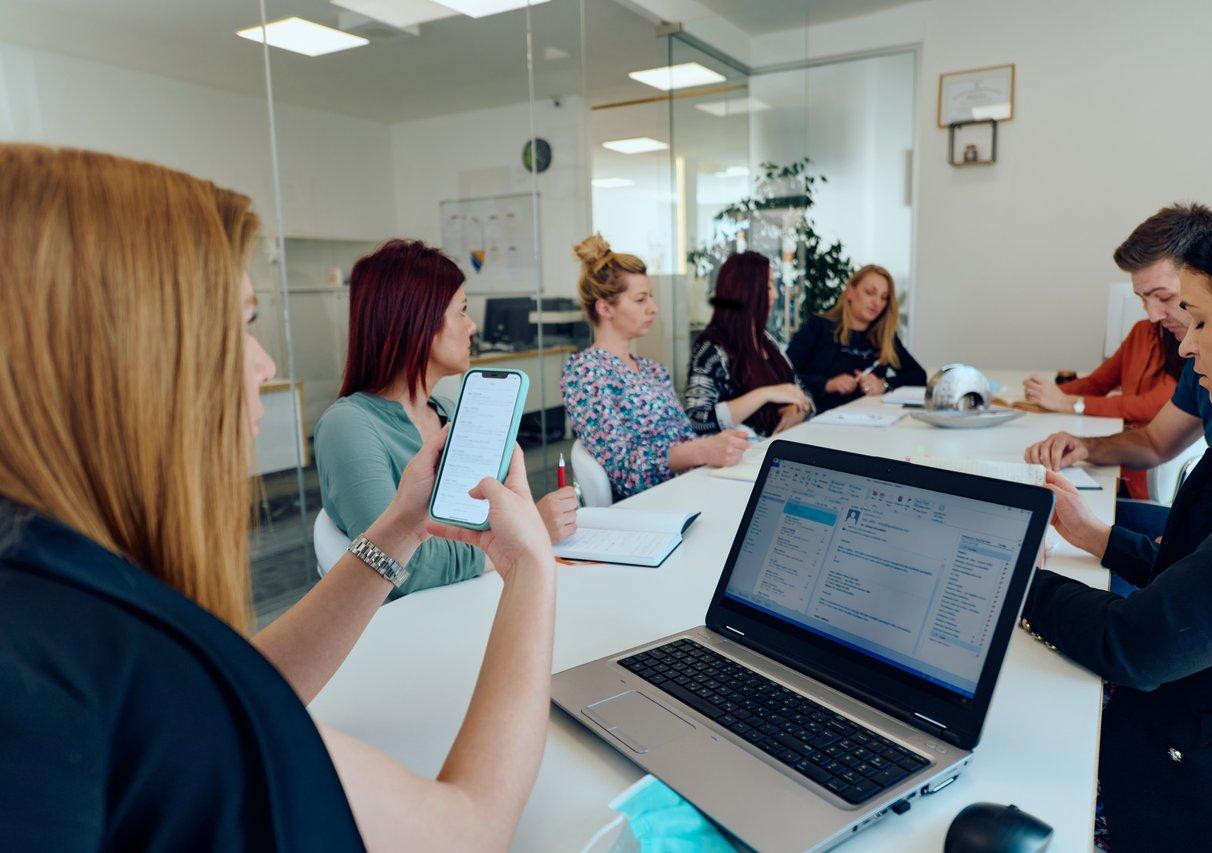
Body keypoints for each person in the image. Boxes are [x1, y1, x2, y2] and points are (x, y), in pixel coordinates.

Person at [0, 145, 556, 851]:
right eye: (241, 325)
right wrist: (531, 571)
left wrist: (398, 527)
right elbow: (469, 829)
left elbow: (239, 688)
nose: (263, 366)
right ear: (128, 357)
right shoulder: (102, 665)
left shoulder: (57, 605)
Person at [1023, 192, 1212, 851]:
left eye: (1197, 319)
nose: (1184, 345)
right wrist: (1098, 537)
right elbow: (1204, 571)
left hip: (1211, 785)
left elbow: (1136, 644)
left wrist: (1013, 577)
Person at [314, 240, 577, 598]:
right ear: (419, 319)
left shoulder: (451, 412)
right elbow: (402, 566)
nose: (472, 327)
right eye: (462, 311)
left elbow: (486, 523)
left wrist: (526, 525)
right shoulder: (348, 426)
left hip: (476, 596)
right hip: (420, 624)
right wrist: (530, 533)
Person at [1023, 204, 1212, 499]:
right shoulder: (1195, 359)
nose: (1152, 315)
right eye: (1143, 300)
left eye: (1164, 297)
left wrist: (1072, 404)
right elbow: (1154, 443)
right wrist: (1086, 446)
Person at [560, 235, 749, 499]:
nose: (654, 308)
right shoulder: (586, 373)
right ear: (605, 308)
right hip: (649, 506)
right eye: (641, 300)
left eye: (651, 297)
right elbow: (625, 472)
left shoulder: (653, 370)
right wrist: (702, 450)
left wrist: (716, 446)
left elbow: (684, 439)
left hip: (689, 487)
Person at [684, 251, 813, 437]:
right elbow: (696, 420)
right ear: (747, 292)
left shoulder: (768, 340)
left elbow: (802, 391)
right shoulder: (712, 349)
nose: (775, 295)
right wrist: (765, 394)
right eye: (768, 287)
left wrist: (800, 410)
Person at [786, 264, 926, 413]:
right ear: (850, 292)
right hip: (817, 420)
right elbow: (784, 374)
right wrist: (827, 384)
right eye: (870, 292)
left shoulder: (883, 337)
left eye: (883, 298)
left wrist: (883, 384)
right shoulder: (818, 327)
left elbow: (919, 376)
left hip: (870, 420)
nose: (877, 302)